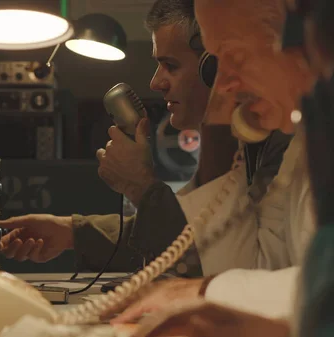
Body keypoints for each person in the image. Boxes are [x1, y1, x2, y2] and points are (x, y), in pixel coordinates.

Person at [0, 0, 289, 283]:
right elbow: (195, 232)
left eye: (171, 65)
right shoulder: (243, 140)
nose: (156, 83)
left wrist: (142, 186)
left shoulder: (284, 147)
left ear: (212, 68)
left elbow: (224, 267)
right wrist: (71, 232)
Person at [109, 0, 323, 333]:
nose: (220, 87)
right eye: (215, 65)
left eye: (233, 57)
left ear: (309, 41)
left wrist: (204, 289)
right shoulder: (300, 147)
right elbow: (255, 268)